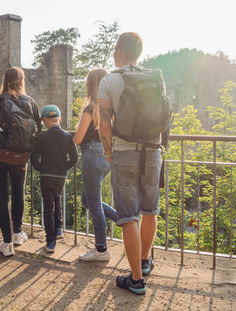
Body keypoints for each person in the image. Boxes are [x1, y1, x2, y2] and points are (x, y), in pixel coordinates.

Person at [98, 32, 163, 295]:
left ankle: (136, 279)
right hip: (153, 150)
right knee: (150, 209)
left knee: (127, 216)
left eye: (115, 49)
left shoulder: (109, 80)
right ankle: (145, 262)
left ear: (120, 51)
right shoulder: (155, 77)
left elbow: (104, 123)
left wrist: (109, 153)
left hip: (124, 152)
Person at [0, 67, 41, 257]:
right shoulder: (30, 102)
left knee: (2, 197)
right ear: (22, 80)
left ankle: (7, 242)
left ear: (4, 80)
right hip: (21, 156)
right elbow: (37, 131)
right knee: (18, 192)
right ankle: (19, 233)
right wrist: (31, 155)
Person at [74, 68, 117, 262]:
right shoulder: (110, 108)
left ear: (90, 85)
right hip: (106, 156)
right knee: (88, 200)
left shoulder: (90, 107)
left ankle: (101, 249)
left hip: (91, 155)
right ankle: (122, 220)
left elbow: (78, 138)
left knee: (94, 203)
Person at [31, 105, 78, 253]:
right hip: (60, 176)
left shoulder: (42, 137)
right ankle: (58, 229)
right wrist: (64, 168)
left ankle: (50, 242)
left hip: (46, 175)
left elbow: (34, 158)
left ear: (45, 120)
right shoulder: (68, 136)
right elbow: (75, 158)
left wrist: (41, 168)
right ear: (59, 119)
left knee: (48, 209)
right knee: (57, 200)